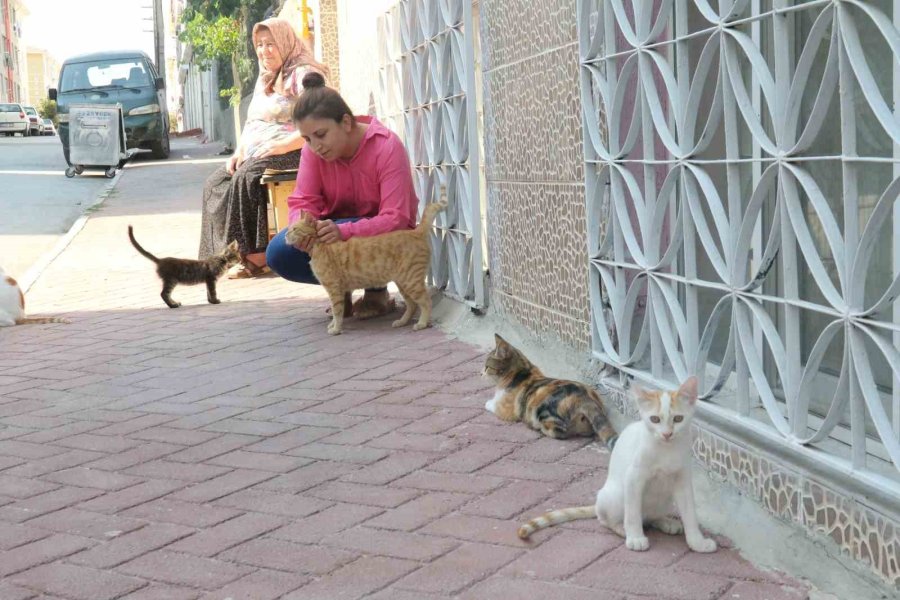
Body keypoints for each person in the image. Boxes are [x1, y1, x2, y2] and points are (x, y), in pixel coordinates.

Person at [265, 71, 419, 319]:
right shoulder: (312, 152)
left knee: (364, 231)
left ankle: (376, 291)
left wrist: (345, 231)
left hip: (385, 240)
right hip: (331, 232)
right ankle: (340, 292)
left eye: (321, 135)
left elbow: (397, 218)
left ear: (346, 123)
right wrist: (302, 227)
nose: (316, 146)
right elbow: (303, 201)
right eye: (307, 139)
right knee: (279, 253)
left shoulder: (387, 146)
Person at [198, 17, 329, 278]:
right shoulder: (267, 78)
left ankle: (255, 257)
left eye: (270, 44)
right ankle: (221, 257)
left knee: (247, 178)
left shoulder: (302, 73)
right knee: (216, 183)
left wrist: (282, 146)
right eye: (259, 45)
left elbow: (320, 120)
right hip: (261, 151)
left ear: (285, 43)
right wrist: (239, 152)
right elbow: (253, 121)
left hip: (296, 149)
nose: (263, 51)